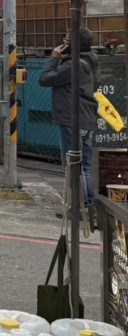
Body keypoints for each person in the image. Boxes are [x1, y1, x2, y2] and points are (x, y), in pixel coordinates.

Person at [40, 27, 100, 218]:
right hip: (87, 117)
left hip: (72, 119)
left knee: (74, 165)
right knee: (86, 165)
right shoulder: (91, 60)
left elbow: (45, 79)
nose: (62, 44)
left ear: (71, 45)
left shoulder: (72, 66)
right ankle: (88, 205)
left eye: (66, 40)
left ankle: (80, 206)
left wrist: (54, 59)